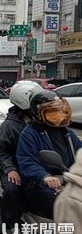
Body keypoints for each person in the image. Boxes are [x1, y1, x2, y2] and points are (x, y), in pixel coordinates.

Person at [0, 81, 43, 234]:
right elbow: (0, 153)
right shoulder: (10, 126)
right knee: (12, 189)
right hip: (13, 167)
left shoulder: (41, 121)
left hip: (38, 166)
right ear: (24, 101)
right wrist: (10, 169)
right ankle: (10, 224)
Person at [16, 90, 82, 219]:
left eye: (61, 111)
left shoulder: (67, 133)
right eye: (52, 113)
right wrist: (44, 176)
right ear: (38, 115)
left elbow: (80, 152)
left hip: (68, 179)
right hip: (41, 183)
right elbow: (27, 161)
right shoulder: (30, 134)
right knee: (67, 210)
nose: (59, 115)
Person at [53, 150, 82, 234]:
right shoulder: (73, 198)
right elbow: (28, 162)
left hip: (61, 178)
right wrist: (44, 176)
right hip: (41, 181)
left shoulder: (68, 135)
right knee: (11, 190)